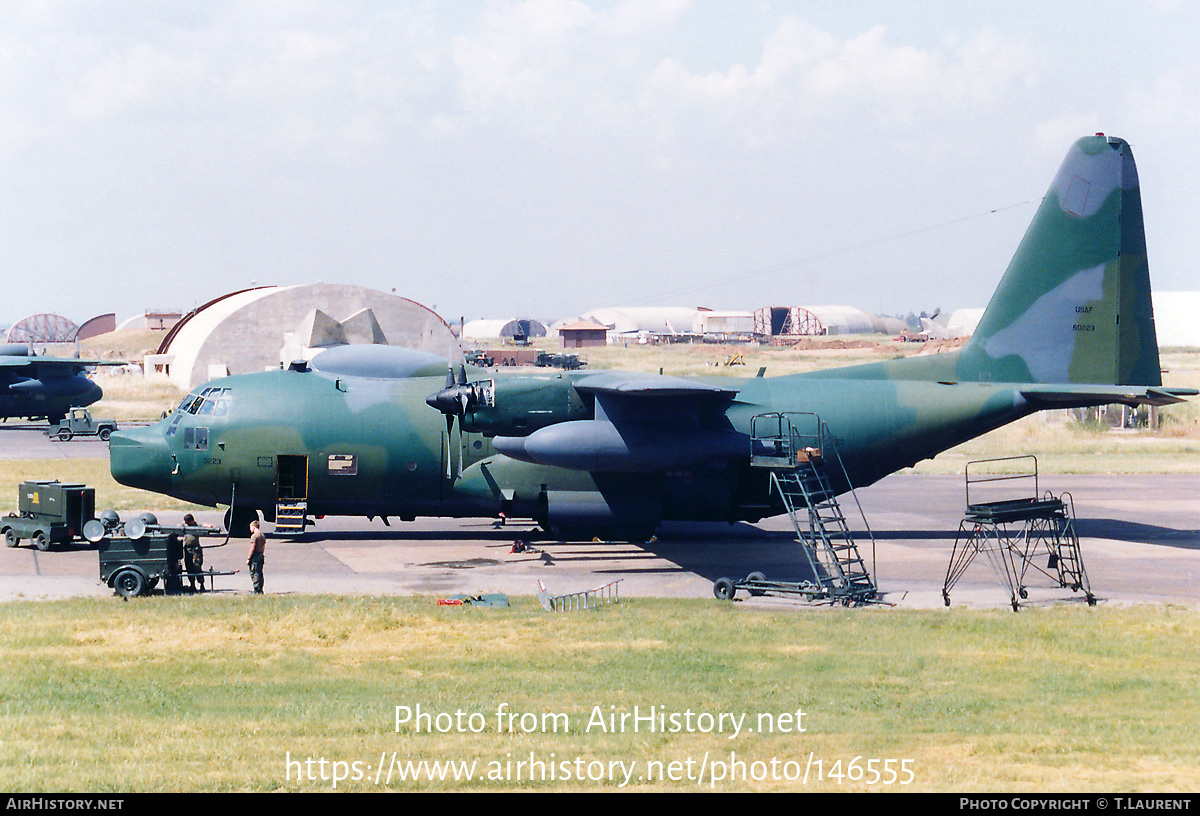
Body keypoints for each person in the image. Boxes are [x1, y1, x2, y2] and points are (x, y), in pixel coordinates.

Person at [182, 513, 205, 592]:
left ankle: (201, 584)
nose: (186, 523)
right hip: (187, 549)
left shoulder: (196, 526)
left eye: (187, 522)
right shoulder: (185, 527)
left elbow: (203, 526)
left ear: (192, 521)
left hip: (195, 549)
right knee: (189, 566)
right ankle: (192, 584)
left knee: (197, 566)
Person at [247, 519, 267, 594]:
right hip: (261, 555)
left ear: (254, 527)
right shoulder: (262, 535)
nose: (250, 529)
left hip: (255, 556)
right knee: (260, 572)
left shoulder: (254, 536)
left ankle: (256, 589)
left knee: (254, 572)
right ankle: (260, 588)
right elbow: (263, 547)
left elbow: (252, 547)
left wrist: (249, 558)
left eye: (250, 527)